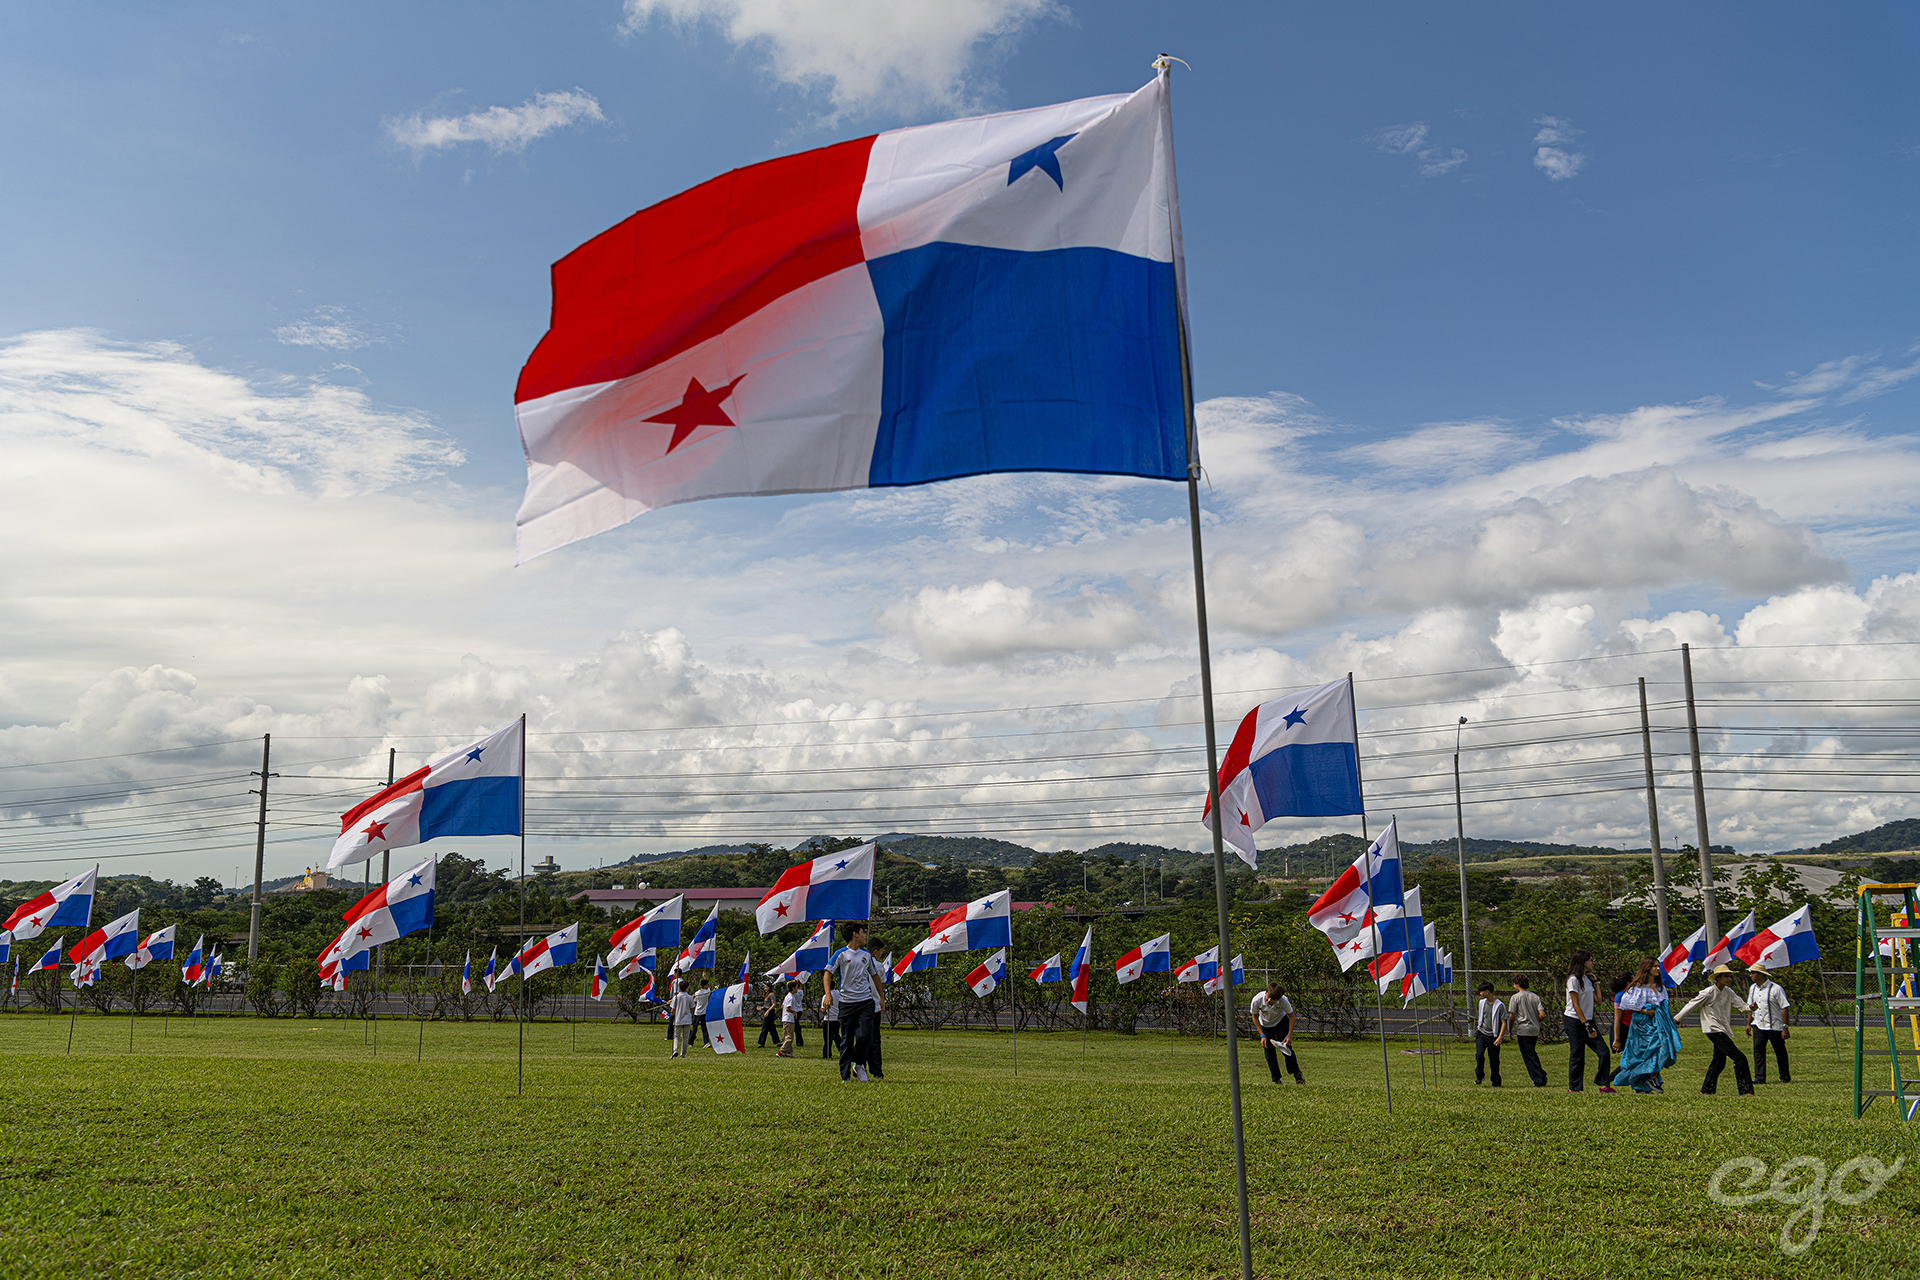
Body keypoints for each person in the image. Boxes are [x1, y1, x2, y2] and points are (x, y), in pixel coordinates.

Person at [1677, 964, 1755, 1097]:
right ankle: (1746, 1091)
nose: (1729, 979)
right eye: (1726, 976)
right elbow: (1692, 1004)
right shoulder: (1708, 992)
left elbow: (1741, 1005)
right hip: (1713, 1030)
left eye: (1730, 976)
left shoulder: (1728, 992)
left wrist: (1751, 1007)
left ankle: (1707, 1090)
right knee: (1740, 1058)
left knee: (1718, 1062)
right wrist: (1677, 1018)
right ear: (1717, 978)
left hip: (1722, 1030)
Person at [823, 920, 885, 1083]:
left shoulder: (866, 955)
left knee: (865, 1035)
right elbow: (827, 973)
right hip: (847, 1003)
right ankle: (846, 1076)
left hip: (866, 1001)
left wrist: (881, 997)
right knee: (847, 1040)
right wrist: (828, 994)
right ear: (854, 934)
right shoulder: (840, 954)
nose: (866, 936)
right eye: (863, 932)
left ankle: (859, 1064)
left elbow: (875, 976)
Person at [1611, 956, 1681, 1094]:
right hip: (1642, 1025)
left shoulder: (1660, 986)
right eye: (1654, 966)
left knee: (1664, 1047)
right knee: (1643, 1054)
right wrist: (1644, 1011)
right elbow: (1627, 1004)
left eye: (1658, 966)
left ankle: (1653, 1077)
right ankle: (1642, 1084)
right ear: (1647, 968)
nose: (1657, 969)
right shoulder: (1636, 987)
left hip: (1658, 1022)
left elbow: (1663, 1004)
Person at [1564, 950, 1617, 1094]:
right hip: (1575, 1021)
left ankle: (1604, 1084)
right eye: (1590, 959)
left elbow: (1598, 1001)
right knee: (1577, 1054)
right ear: (1582, 961)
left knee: (1604, 1052)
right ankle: (1574, 1089)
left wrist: (1596, 982)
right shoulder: (1573, 979)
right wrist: (1586, 1026)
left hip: (1588, 1020)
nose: (1592, 962)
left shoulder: (1586, 979)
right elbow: (1575, 1005)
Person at [1247, 981, 1304, 1083]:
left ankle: (1297, 1074)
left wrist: (1289, 1035)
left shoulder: (1284, 1001)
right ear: (1266, 992)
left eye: (1272, 1000)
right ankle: (1276, 1079)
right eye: (1268, 997)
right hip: (1265, 1025)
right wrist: (1262, 1035)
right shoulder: (1257, 1000)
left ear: (1278, 999)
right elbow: (1254, 1017)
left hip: (1280, 1022)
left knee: (1286, 1048)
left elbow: (1291, 1016)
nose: (1269, 1000)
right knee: (1269, 1052)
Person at [1748, 969, 1792, 1084]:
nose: (1751, 975)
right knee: (1758, 1051)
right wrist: (1748, 1023)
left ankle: (1784, 1076)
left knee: (1779, 1051)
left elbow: (1784, 1007)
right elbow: (1750, 1007)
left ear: (1761, 974)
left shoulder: (1776, 989)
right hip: (1758, 1024)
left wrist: (1785, 1027)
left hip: (1774, 1026)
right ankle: (1760, 1077)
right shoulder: (1752, 988)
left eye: (1753, 973)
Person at [1508, 975, 1549, 1087]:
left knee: (1528, 1055)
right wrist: (1536, 1020)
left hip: (1523, 1029)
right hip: (1534, 1029)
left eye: (1514, 984)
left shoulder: (1515, 997)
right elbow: (1542, 1015)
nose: (1514, 986)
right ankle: (1542, 1075)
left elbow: (1512, 1015)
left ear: (1517, 984)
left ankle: (1538, 1079)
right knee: (1532, 1053)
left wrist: (1510, 1029)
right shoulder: (1535, 997)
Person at [1473, 981, 1506, 1086]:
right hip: (1481, 1033)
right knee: (1479, 1055)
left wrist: (1500, 1037)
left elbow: (1504, 1022)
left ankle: (1496, 1080)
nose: (1480, 994)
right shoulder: (1482, 1003)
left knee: (1494, 1059)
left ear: (1487, 992)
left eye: (1481, 992)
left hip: (1493, 1036)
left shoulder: (1500, 1005)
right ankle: (1480, 1076)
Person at [668, 978, 697, 1057]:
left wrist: (672, 1014)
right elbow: (693, 1008)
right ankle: (683, 1054)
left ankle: (675, 1050)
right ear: (687, 988)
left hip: (678, 1019)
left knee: (676, 1036)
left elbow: (672, 1009)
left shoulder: (676, 997)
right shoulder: (689, 997)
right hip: (687, 1019)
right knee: (685, 1037)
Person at [777, 980, 803, 1057]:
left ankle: (788, 1053)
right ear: (793, 988)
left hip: (786, 1018)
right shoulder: (791, 997)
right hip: (789, 1019)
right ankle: (781, 1052)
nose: (797, 989)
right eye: (796, 987)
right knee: (789, 1038)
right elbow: (787, 1008)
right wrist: (794, 1012)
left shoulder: (788, 996)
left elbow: (782, 1006)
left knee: (786, 1037)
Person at [820, 983, 842, 1060]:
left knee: (827, 1038)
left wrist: (825, 1011)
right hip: (836, 1018)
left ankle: (827, 1054)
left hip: (828, 1019)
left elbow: (823, 1010)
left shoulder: (826, 996)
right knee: (836, 1037)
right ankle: (842, 1051)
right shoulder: (838, 994)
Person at [757, 981, 781, 1049]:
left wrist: (768, 1011)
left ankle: (762, 1043)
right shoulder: (766, 995)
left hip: (770, 1012)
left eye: (766, 987)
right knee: (771, 1028)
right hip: (766, 1010)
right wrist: (761, 1008)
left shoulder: (771, 994)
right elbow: (767, 1005)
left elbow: (773, 1004)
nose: (765, 989)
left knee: (765, 1028)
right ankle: (778, 1042)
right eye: (764, 987)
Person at [693, 976, 713, 1046]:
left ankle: (706, 1042)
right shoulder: (707, 992)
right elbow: (709, 989)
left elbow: (694, 1000)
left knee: (696, 1028)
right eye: (707, 985)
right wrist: (704, 977)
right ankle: (705, 1042)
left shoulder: (697, 993)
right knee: (702, 1028)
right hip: (700, 1013)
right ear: (704, 986)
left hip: (698, 1012)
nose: (708, 986)